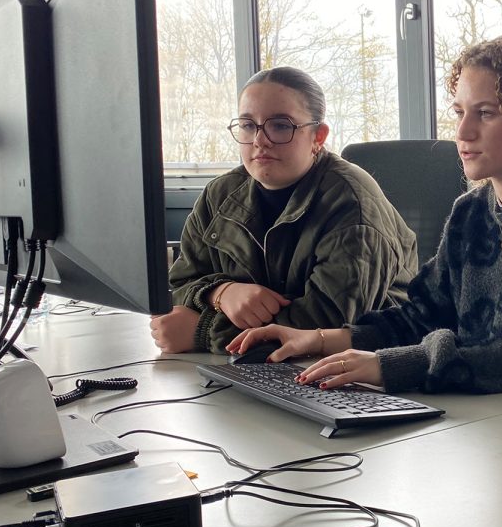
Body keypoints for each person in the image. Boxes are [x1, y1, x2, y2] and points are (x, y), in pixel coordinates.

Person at [229, 36, 502, 395]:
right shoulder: (471, 212)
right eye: (459, 112)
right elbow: (419, 317)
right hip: (479, 421)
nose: (464, 132)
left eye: (486, 113)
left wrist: (389, 366)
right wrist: (315, 340)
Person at [149, 66, 418, 355]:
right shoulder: (220, 195)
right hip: (257, 369)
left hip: (363, 371)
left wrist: (204, 331)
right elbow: (178, 286)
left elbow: (327, 323)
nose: (259, 140)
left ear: (318, 136)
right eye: (248, 125)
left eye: (280, 125)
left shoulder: (352, 203)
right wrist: (220, 293)